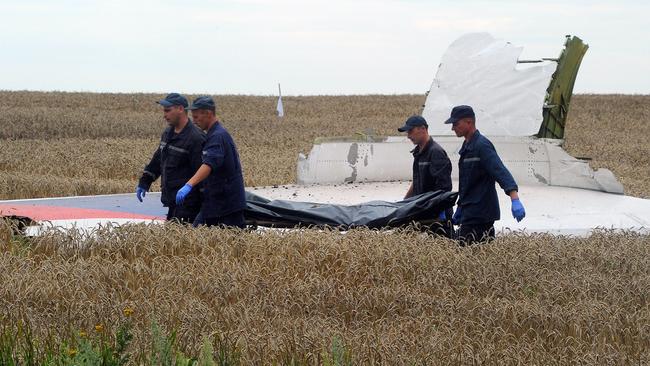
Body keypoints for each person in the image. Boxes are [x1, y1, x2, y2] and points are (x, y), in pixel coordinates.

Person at [446, 105, 526, 245]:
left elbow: (500, 171)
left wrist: (515, 199)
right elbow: (468, 183)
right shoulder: (467, 147)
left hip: (481, 213)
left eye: (456, 123)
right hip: (470, 211)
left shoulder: (482, 146)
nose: (453, 128)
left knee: (471, 257)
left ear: (469, 122)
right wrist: (460, 206)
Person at [175, 96, 246, 228]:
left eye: (196, 117)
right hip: (217, 202)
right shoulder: (215, 134)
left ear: (208, 113)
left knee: (229, 244)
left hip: (226, 206)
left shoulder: (217, 136)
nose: (194, 121)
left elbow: (209, 164)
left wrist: (188, 185)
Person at [136, 93, 206, 224]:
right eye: (164, 111)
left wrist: (204, 209)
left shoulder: (195, 138)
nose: (164, 115)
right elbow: (158, 159)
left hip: (190, 207)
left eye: (168, 110)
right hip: (172, 202)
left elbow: (203, 174)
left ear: (180, 109)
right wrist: (145, 181)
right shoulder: (168, 133)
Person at [398, 115, 454, 238]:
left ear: (423, 129)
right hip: (422, 210)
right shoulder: (418, 153)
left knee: (442, 250)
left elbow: (444, 189)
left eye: (410, 131)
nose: (408, 136)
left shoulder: (436, 152)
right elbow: (417, 181)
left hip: (437, 215)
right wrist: (403, 203)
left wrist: (438, 213)